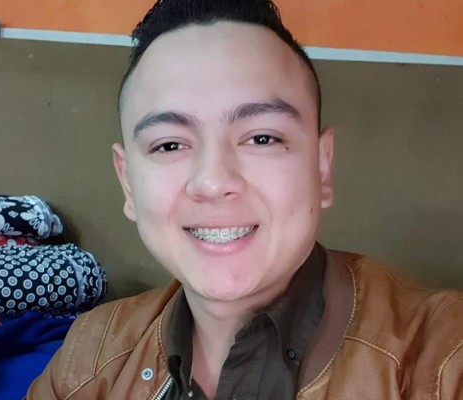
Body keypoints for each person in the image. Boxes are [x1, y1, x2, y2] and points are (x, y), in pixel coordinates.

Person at [27, 0, 463, 398]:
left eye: (262, 138)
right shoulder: (88, 357)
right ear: (127, 183)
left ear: (321, 166)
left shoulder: (440, 361)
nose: (213, 182)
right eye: (170, 145)